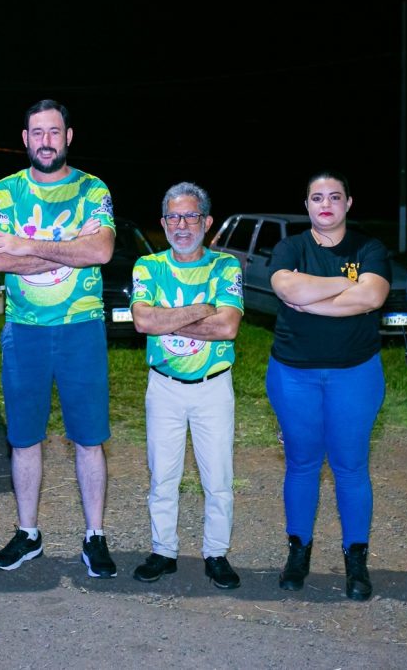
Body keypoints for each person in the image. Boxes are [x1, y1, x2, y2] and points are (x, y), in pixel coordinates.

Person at [0, 99, 118, 578]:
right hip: (24, 330)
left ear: (68, 137)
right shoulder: (6, 190)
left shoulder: (92, 188)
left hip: (82, 326)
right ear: (25, 139)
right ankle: (28, 533)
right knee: (24, 437)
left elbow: (101, 250)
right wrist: (70, 247)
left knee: (89, 438)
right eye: (37, 132)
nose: (46, 141)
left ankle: (95, 535)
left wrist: (27, 244)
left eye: (54, 132)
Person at [266, 170, 391, 601]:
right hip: (293, 373)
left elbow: (372, 297)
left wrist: (309, 298)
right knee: (301, 464)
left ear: (348, 203)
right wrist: (344, 284)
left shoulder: (369, 248)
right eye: (317, 197)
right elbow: (285, 286)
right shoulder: (290, 247)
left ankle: (356, 560)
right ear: (306, 205)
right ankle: (297, 553)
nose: (326, 204)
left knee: (350, 466)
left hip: (355, 373)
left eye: (335, 197)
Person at [129, 182, 244, 589]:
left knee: (219, 479)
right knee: (163, 476)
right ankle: (163, 551)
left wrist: (167, 318)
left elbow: (227, 327)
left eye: (191, 216)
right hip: (164, 386)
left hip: (213, 386)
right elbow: (143, 321)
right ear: (163, 222)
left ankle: (216, 554)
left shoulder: (225, 266)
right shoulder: (148, 266)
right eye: (173, 217)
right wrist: (202, 309)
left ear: (207, 222)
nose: (182, 225)